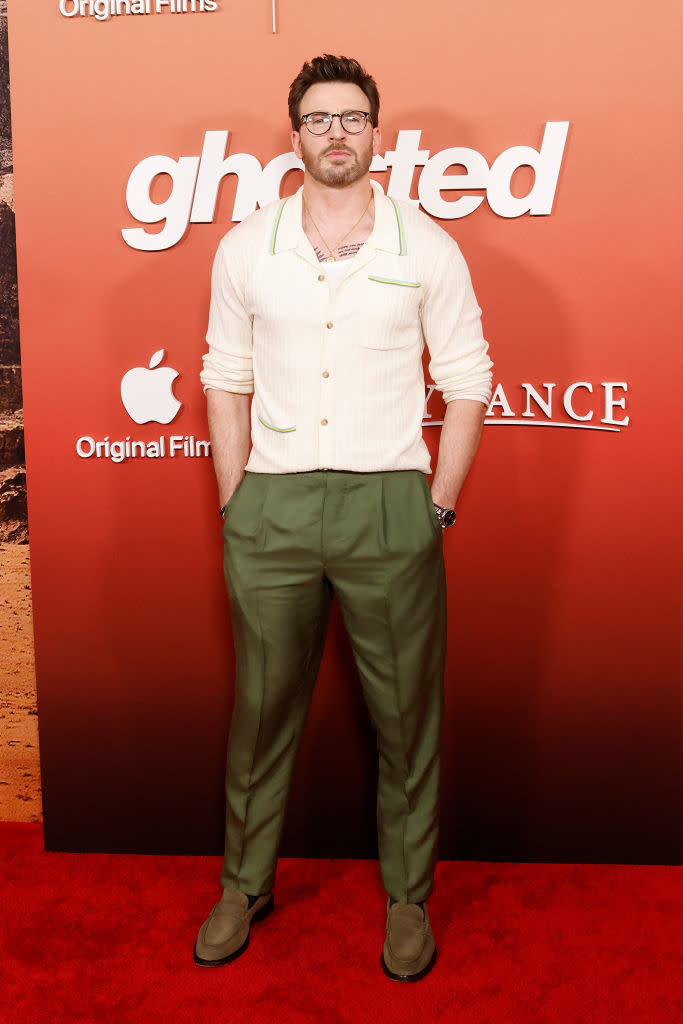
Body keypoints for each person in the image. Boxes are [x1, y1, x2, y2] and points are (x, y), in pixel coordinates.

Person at [194, 54, 492, 982]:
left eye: (351, 118)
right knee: (260, 709)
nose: (335, 133)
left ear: (375, 132)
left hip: (389, 505)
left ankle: (407, 898)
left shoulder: (428, 247)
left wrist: (435, 502)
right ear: (295, 135)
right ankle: (245, 884)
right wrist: (237, 498)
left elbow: (469, 380)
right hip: (272, 507)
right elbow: (223, 376)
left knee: (406, 716)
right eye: (318, 118)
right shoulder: (247, 246)